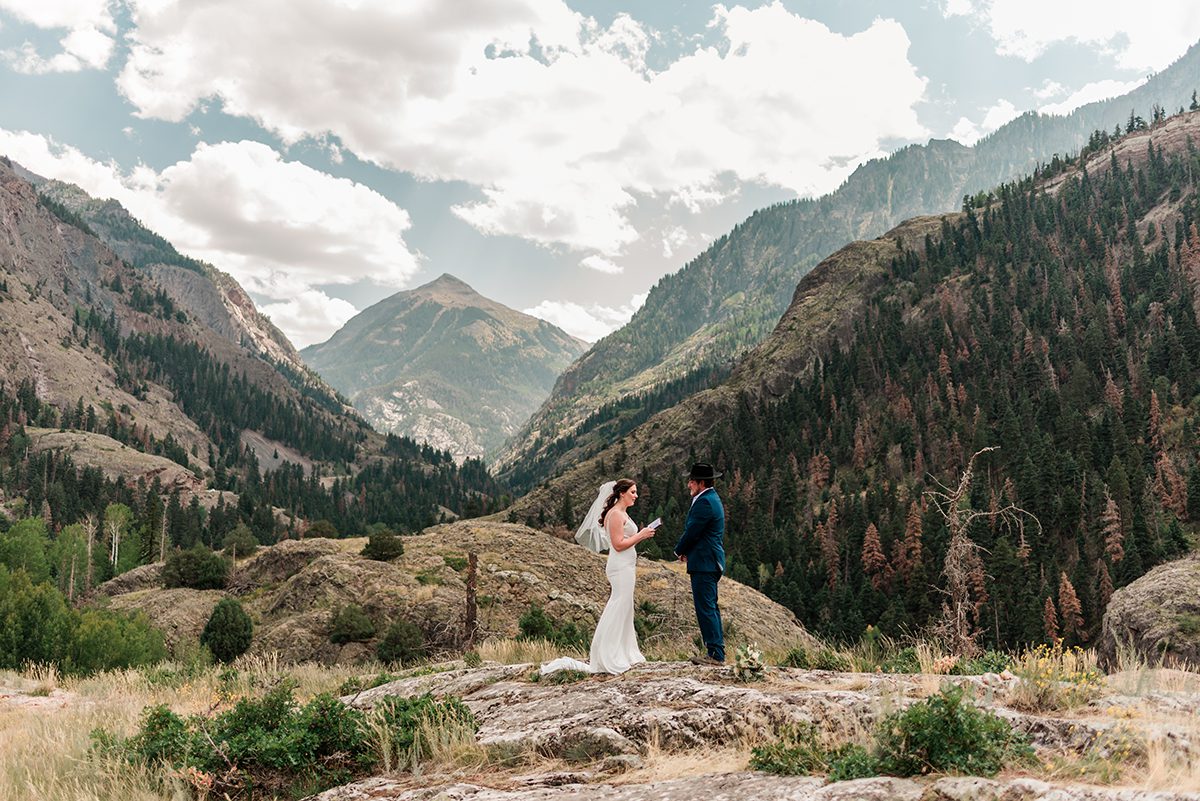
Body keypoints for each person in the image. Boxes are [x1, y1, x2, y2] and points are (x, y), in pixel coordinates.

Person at [540, 479, 657, 675]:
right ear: (622, 493)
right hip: (620, 567)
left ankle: (623, 651)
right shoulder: (615, 515)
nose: (636, 496)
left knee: (625, 606)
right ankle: (607, 654)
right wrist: (641, 535)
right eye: (633, 492)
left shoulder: (622, 513)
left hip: (627, 565)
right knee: (618, 604)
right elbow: (618, 544)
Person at [674, 462, 726, 665]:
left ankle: (715, 654)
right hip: (707, 560)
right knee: (709, 606)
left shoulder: (704, 502)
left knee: (706, 608)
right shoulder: (710, 498)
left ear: (701, 483)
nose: (688, 484)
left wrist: (679, 550)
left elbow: (693, 531)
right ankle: (715, 651)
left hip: (705, 562)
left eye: (691, 481)